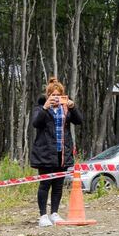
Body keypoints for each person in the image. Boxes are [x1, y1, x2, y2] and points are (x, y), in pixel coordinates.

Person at [29, 77, 83, 227]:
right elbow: (35, 123)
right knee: (44, 185)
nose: (56, 98)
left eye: (58, 95)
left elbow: (79, 121)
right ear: (48, 96)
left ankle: (54, 213)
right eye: (53, 95)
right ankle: (43, 215)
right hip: (45, 152)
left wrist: (73, 107)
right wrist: (45, 107)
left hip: (62, 153)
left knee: (58, 185)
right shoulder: (40, 108)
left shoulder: (66, 109)